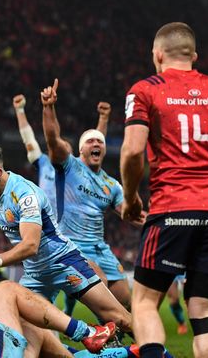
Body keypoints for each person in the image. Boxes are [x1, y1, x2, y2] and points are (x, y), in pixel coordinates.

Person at [120, 22, 208, 358]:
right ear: (194, 56)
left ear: (157, 55)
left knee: (143, 303)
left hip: (173, 207)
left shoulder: (145, 89)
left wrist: (130, 197)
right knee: (203, 310)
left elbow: (131, 151)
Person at [0, 144, 132, 333]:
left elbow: (31, 245)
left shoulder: (24, 194)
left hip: (63, 263)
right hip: (35, 275)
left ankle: (156, 351)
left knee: (120, 318)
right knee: (25, 333)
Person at [40, 84, 144, 313]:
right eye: (90, 142)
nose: (96, 144)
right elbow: (53, 140)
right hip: (71, 244)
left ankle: (128, 339)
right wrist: (49, 107)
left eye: (100, 142)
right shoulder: (70, 167)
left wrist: (159, 219)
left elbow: (132, 215)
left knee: (125, 301)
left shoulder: (112, 185)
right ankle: (110, 339)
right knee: (101, 286)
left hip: (100, 247)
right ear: (80, 150)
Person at [12, 94, 110, 207]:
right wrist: (19, 110)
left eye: (66, 148)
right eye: (60, 148)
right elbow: (28, 139)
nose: (62, 150)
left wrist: (103, 118)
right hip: (44, 221)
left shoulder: (78, 169)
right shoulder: (43, 163)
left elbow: (95, 145)